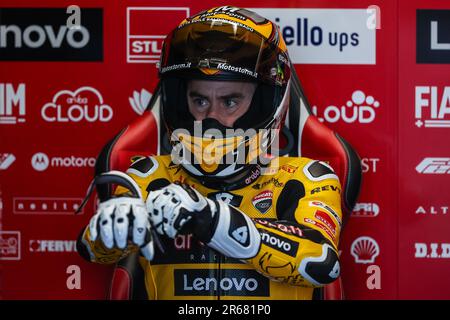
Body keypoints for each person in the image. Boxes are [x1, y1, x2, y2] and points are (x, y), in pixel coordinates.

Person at [77, 6, 342, 300]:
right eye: (199, 100)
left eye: (230, 102)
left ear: (266, 102)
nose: (211, 117)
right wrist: (114, 225)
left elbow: (321, 262)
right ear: (180, 101)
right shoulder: (149, 175)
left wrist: (213, 220)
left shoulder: (307, 177)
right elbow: (92, 249)